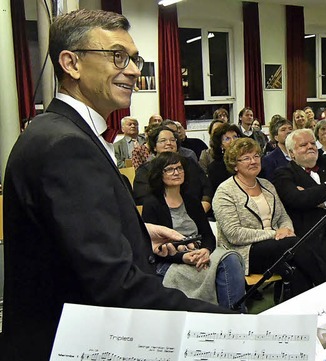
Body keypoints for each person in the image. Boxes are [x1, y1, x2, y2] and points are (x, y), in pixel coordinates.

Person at [1, 10, 231, 360]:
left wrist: (139, 233)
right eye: (117, 57)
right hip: (64, 343)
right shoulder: (66, 146)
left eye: (134, 58)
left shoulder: (57, 131)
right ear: (71, 63)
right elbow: (115, 286)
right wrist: (230, 326)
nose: (136, 70)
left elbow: (70, 238)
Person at [213, 138, 326, 296]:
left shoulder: (267, 185)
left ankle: (305, 313)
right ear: (234, 164)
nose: (254, 161)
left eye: (256, 156)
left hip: (279, 245)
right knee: (295, 246)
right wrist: (275, 234)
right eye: (246, 158)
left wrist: (286, 229)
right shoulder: (225, 192)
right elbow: (234, 234)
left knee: (297, 269)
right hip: (245, 251)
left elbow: (283, 216)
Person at [142, 152, 246, 309]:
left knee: (230, 258)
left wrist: (205, 250)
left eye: (179, 168)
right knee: (206, 270)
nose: (177, 172)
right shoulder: (152, 203)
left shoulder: (191, 199)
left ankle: (233, 314)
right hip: (170, 259)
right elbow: (153, 248)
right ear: (159, 174)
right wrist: (183, 257)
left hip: (198, 252)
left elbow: (207, 235)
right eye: (170, 169)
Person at [273, 129, 326, 278]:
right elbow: (297, 199)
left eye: (312, 143)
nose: (310, 147)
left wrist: (323, 202)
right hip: (320, 236)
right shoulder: (283, 173)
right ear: (292, 153)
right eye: (303, 145)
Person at [134, 125, 212, 212]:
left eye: (172, 140)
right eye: (163, 141)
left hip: (196, 212)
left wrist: (202, 209)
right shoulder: (145, 170)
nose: (169, 143)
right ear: (154, 147)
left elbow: (206, 187)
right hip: (161, 217)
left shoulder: (189, 163)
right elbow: (142, 199)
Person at [207, 123, 242, 197]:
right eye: (227, 139)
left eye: (235, 137)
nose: (233, 141)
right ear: (221, 145)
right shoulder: (214, 167)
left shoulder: (249, 160)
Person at [260, 115, 293, 181]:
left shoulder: (300, 155)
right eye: (283, 130)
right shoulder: (269, 160)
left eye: (290, 129)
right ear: (276, 137)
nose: (288, 132)